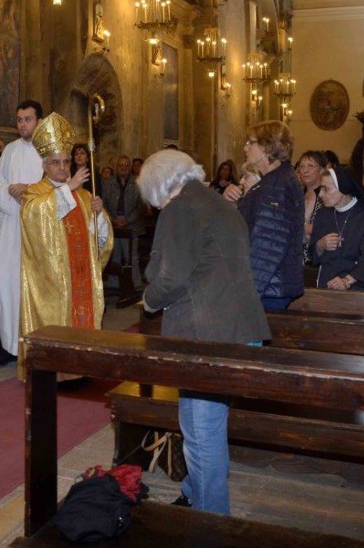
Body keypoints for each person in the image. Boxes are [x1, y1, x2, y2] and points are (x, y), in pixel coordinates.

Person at [138, 149, 269, 514]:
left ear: (159, 186)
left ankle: (210, 520)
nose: (155, 207)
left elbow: (171, 277)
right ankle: (194, 492)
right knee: (206, 423)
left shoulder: (179, 208)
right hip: (239, 328)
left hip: (207, 331)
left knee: (200, 433)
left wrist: (149, 300)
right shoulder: (220, 204)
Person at [19, 113, 112, 380]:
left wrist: (98, 215)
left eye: (66, 161)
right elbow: (35, 217)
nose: (62, 167)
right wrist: (67, 189)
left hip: (80, 276)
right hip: (50, 282)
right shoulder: (34, 192)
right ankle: (55, 372)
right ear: (45, 165)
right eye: (56, 162)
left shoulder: (84, 195)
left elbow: (100, 241)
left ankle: (81, 367)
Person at [0, 100, 45, 366]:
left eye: (28, 119)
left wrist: (28, 192)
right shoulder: (9, 150)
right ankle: (9, 344)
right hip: (10, 227)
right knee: (4, 284)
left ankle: (34, 344)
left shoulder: (49, 150)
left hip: (37, 230)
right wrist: (11, 194)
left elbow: (57, 186)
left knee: (32, 287)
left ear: (39, 121)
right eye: (19, 120)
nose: (23, 124)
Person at [224, 121, 304, 310]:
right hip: (271, 285)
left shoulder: (275, 185)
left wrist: (246, 295)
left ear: (267, 147)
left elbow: (268, 246)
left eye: (250, 142)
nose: (245, 148)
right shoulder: (279, 178)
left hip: (268, 288)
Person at [309, 167, 364, 291]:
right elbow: (312, 256)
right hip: (327, 285)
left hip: (358, 287)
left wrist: (347, 281)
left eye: (326, 189)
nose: (320, 194)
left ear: (343, 188)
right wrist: (320, 245)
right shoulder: (322, 215)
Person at [102, 155, 144, 286]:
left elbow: (140, 206)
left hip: (131, 225)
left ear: (130, 167)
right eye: (121, 165)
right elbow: (103, 205)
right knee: (115, 258)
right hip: (113, 224)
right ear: (116, 167)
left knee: (131, 257)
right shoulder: (108, 183)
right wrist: (112, 219)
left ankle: (136, 286)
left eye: (126, 165)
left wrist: (128, 220)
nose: (123, 168)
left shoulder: (138, 183)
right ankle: (114, 286)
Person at [296, 150, 327, 265]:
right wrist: (306, 229)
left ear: (322, 170)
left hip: (319, 259)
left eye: (310, 166)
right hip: (296, 259)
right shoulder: (296, 196)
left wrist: (302, 229)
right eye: (302, 166)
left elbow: (329, 227)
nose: (305, 170)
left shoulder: (327, 197)